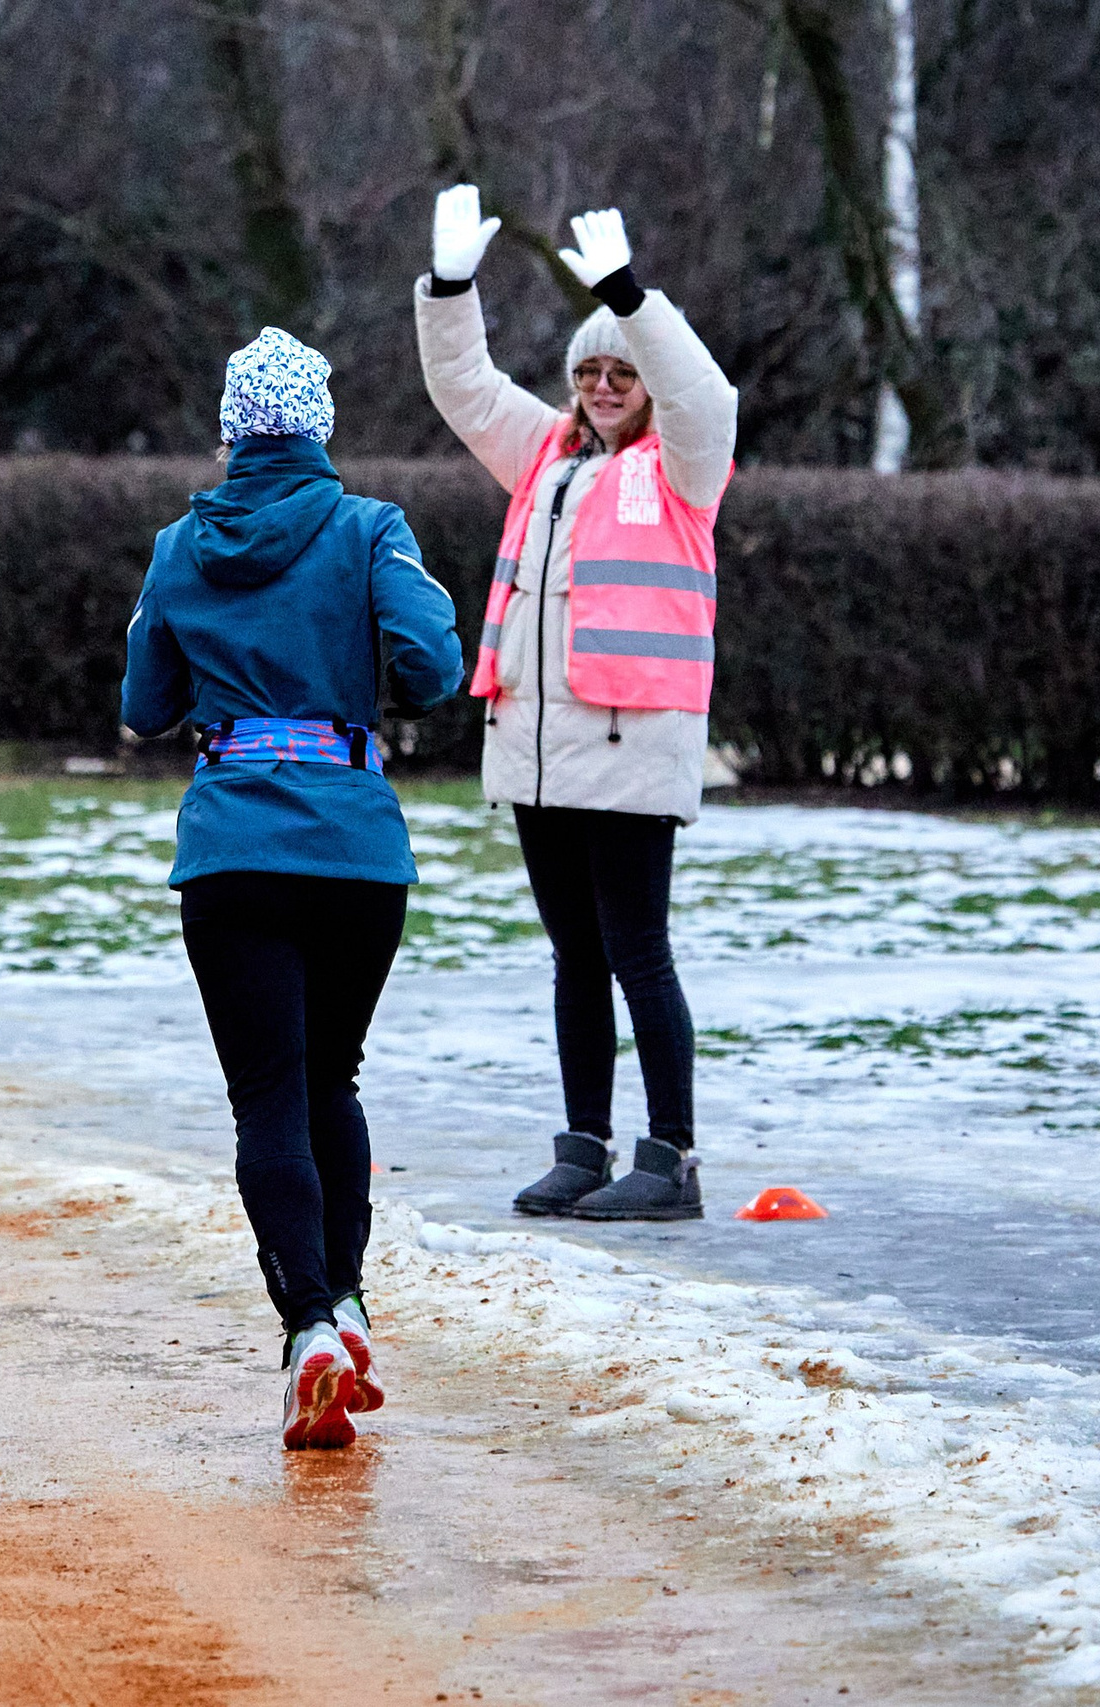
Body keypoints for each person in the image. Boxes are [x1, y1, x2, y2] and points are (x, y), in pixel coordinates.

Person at [123, 328, 465, 1450]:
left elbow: (143, 704)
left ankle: (307, 1321)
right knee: (332, 1077)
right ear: (319, 428)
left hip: (231, 847)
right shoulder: (373, 530)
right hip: (356, 849)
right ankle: (348, 1304)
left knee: (266, 1094)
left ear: (231, 431)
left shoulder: (180, 546)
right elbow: (433, 667)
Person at [414, 190, 739, 1224]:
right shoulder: (547, 456)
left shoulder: (683, 466)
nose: (602, 387)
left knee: (638, 952)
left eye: (620, 373)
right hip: (539, 752)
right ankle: (583, 1147)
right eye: (588, 372)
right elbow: (465, 389)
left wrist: (633, 303)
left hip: (632, 748)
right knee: (574, 959)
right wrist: (450, 289)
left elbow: (705, 396)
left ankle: (671, 1157)